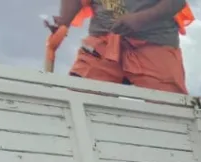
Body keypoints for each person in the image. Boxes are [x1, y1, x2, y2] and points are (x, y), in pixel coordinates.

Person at [47, 0, 193, 95]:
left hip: (154, 44)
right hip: (102, 42)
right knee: (78, 98)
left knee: (169, 111)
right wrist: (64, 22)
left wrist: (140, 19)